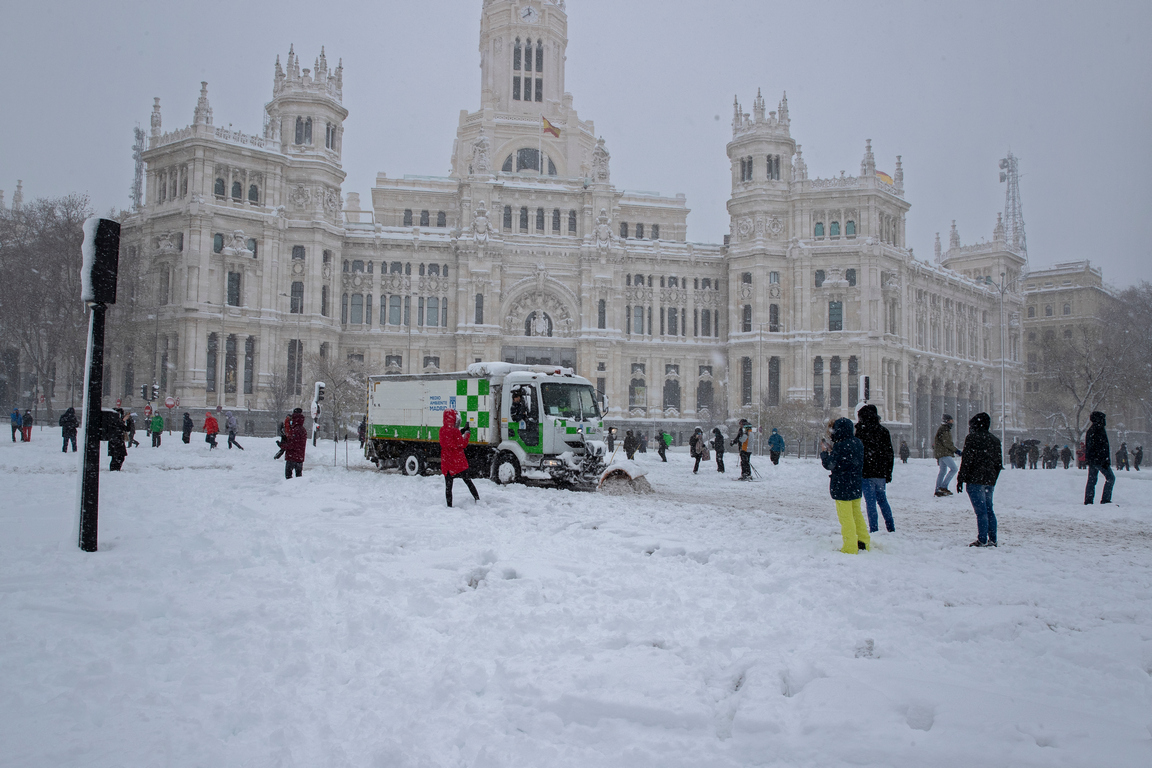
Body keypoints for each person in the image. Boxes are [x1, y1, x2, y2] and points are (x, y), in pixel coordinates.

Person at [821, 417, 869, 554]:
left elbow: (830, 464)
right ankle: (863, 541)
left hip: (842, 487)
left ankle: (850, 546)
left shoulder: (840, 445)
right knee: (857, 515)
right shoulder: (857, 443)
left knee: (846, 518)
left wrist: (825, 453)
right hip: (855, 485)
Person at [956, 412, 1002, 547]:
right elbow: (998, 464)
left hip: (975, 479)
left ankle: (982, 539)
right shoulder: (995, 440)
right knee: (989, 509)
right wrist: (993, 478)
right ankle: (992, 539)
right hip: (989, 480)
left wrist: (960, 479)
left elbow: (967, 461)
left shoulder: (972, 439)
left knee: (981, 511)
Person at [855, 404, 895, 534]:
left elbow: (858, 454)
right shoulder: (884, 431)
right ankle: (890, 527)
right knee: (882, 500)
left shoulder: (861, 432)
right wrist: (888, 472)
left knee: (870, 502)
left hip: (866, 473)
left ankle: (874, 529)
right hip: (880, 473)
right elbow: (890, 454)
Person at [440, 408, 479, 507]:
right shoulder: (455, 432)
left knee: (448, 486)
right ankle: (477, 499)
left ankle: (449, 506)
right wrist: (467, 433)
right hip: (457, 461)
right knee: (468, 481)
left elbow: (452, 437)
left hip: (447, 462)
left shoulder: (442, 430)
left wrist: (462, 431)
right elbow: (463, 443)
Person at [1084, 411, 1114, 505]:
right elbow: (1102, 447)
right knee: (1110, 478)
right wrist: (1104, 459)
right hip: (1100, 460)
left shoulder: (1092, 430)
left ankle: (1088, 500)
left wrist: (1090, 459)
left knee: (1092, 480)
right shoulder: (1099, 430)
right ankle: (1105, 499)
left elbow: (1090, 447)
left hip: (1094, 460)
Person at [933, 415, 961, 496]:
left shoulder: (943, 429)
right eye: (951, 421)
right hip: (944, 453)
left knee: (942, 472)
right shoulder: (945, 430)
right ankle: (943, 487)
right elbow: (947, 443)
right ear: (947, 421)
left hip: (940, 453)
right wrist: (956, 451)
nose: (952, 423)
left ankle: (938, 489)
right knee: (954, 469)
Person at [283, 408, 307, 478]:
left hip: (292, 456)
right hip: (299, 457)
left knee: (288, 476)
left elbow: (293, 444)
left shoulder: (295, 429)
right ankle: (298, 488)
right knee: (298, 477)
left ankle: (290, 488)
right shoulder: (302, 429)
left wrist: (283, 445)